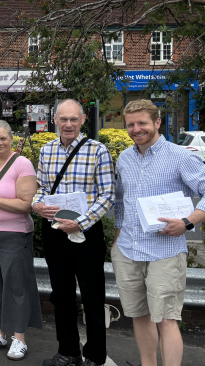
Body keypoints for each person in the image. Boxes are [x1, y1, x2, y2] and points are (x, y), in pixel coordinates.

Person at [113, 100, 205, 366]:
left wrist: (188, 222)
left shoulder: (181, 156)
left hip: (164, 251)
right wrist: (117, 240)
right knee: (138, 315)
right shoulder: (125, 158)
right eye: (130, 124)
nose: (136, 129)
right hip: (128, 250)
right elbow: (121, 203)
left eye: (142, 123)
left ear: (157, 122)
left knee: (166, 319)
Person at [32, 99, 115, 366]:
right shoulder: (46, 150)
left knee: (92, 296)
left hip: (86, 233)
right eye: (63, 119)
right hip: (55, 231)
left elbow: (107, 195)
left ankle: (94, 356)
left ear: (82, 121)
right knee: (61, 294)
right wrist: (37, 204)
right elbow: (42, 188)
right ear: (55, 119)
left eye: (74, 119)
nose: (68, 124)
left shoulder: (98, 150)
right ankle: (68, 351)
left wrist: (82, 221)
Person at [0, 120, 42, 360]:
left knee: (16, 285)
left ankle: (19, 337)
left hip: (16, 234)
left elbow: (26, 205)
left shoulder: (23, 164)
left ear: (12, 139)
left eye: (3, 138)